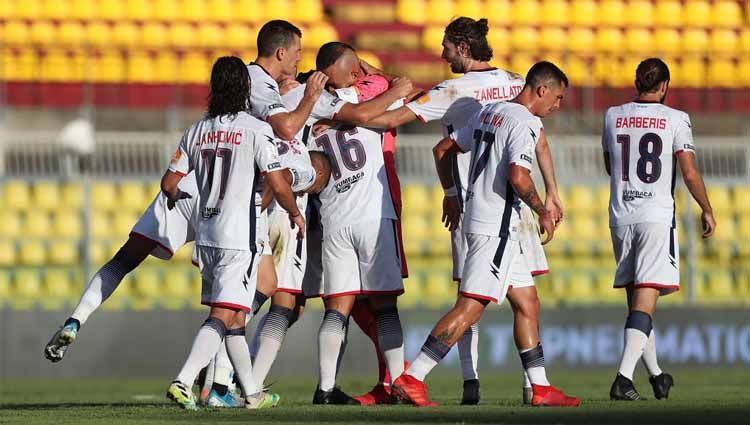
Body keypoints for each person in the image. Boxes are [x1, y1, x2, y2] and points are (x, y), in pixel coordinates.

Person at [363, 17, 564, 405]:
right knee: (476, 301)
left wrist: (341, 116)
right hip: (510, 211)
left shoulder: (453, 89)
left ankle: (536, 387)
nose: (442, 53)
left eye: (447, 47)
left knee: (510, 299)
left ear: (463, 48)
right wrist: (551, 194)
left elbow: (392, 119)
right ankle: (437, 379)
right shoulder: (515, 83)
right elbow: (536, 140)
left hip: (483, 207)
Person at [163, 56, 303, 410]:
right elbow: (277, 182)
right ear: (246, 89)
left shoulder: (196, 130)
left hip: (207, 236)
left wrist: (182, 196)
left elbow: (169, 184)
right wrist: (294, 211)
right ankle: (183, 380)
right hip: (239, 238)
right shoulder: (256, 130)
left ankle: (252, 395)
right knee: (224, 315)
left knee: (236, 317)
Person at [602, 58, 716, 401]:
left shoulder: (612, 114)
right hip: (655, 215)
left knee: (638, 301)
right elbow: (690, 172)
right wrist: (707, 208)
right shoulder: (676, 119)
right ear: (664, 85)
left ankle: (656, 376)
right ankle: (623, 379)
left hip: (621, 215)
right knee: (645, 302)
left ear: (637, 81)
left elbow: (611, 164)